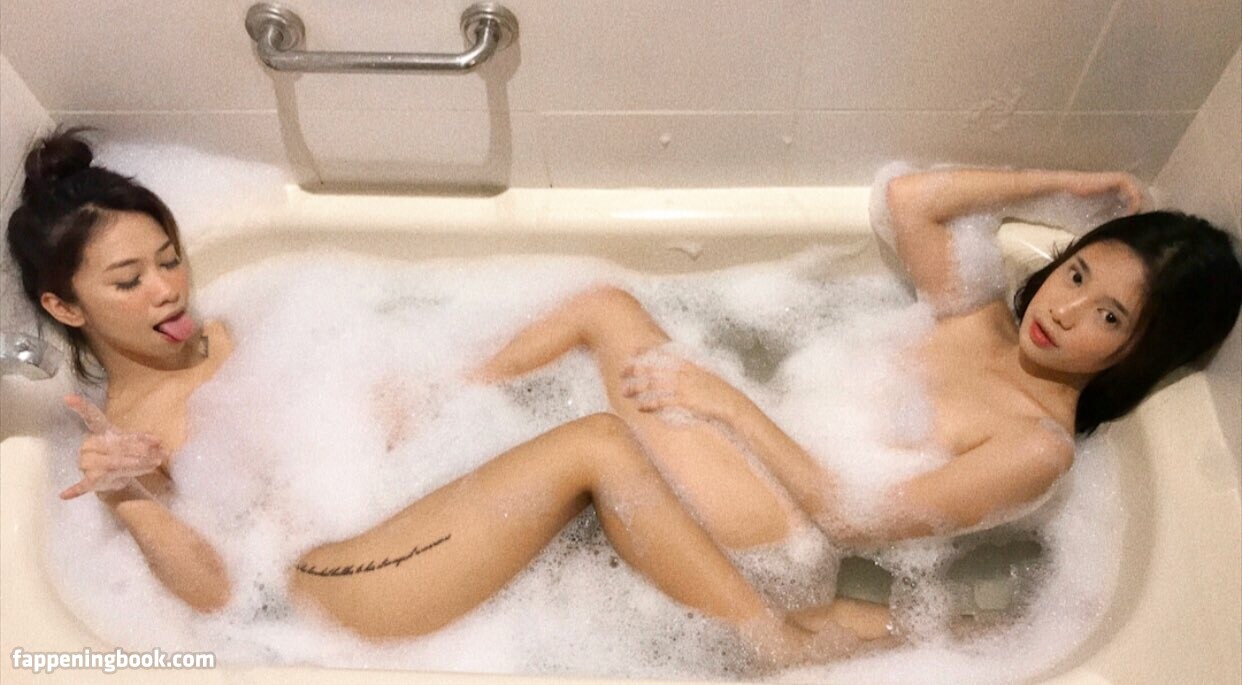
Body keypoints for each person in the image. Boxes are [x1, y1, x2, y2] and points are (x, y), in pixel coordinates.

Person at [7, 129, 876, 668]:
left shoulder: (250, 322)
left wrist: (439, 385)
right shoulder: (128, 437)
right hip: (322, 584)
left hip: (410, 491)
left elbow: (347, 398)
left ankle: (779, 538)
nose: (166, 288)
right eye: (128, 279)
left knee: (599, 305)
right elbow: (216, 593)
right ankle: (773, 642)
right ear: (65, 306)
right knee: (597, 443)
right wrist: (132, 497)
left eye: (168, 258)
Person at [470, 166, 1242, 632]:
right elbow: (908, 199)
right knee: (601, 304)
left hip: (774, 526)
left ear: (1139, 352)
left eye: (1110, 316)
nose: (1065, 310)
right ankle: (449, 405)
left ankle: (466, 452)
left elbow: (851, 517)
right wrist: (1063, 188)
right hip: (752, 462)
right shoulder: (980, 321)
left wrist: (727, 403)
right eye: (1077, 272)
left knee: (598, 399)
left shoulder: (1036, 446)